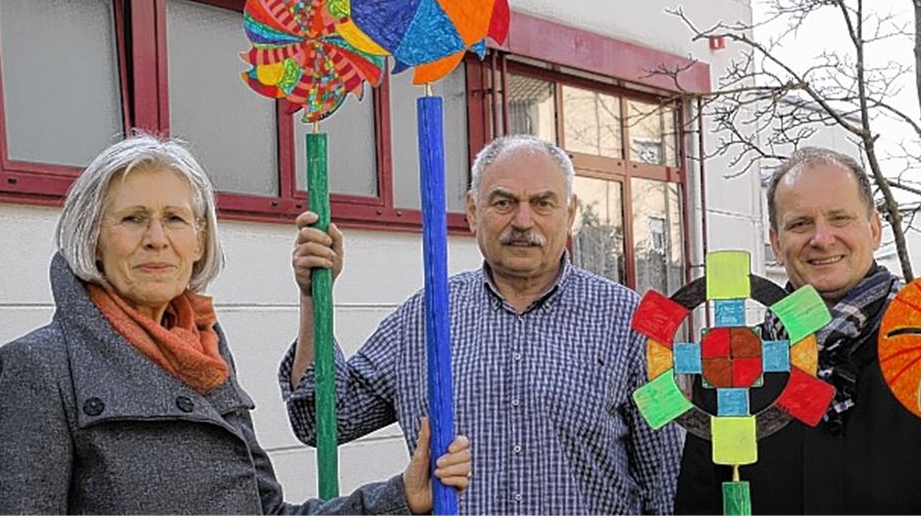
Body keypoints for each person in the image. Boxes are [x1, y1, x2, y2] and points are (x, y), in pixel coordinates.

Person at [0, 134, 472, 515]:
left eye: (175, 219)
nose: (156, 239)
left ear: (198, 242)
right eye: (132, 219)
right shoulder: (40, 367)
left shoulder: (205, 355)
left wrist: (400, 496)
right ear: (93, 239)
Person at [280, 134, 684, 514]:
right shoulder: (426, 317)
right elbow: (321, 421)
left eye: (543, 203)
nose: (523, 221)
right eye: (504, 203)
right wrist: (314, 296)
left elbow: (669, 480)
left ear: (571, 212)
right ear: (473, 212)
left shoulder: (639, 323)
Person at [674, 147, 921, 515]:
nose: (821, 238)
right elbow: (698, 501)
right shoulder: (732, 366)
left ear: (875, 229)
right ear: (776, 244)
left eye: (839, 218)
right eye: (800, 224)